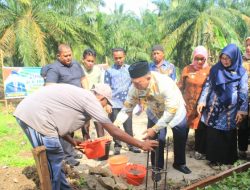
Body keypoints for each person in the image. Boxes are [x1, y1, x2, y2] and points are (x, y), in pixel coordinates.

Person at [14, 83, 158, 190]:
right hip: (34, 116)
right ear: (101, 97)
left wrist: (71, 140)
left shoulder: (83, 96)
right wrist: (140, 144)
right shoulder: (91, 100)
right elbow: (114, 131)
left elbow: (59, 119)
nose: (105, 106)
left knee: (55, 162)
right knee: (52, 161)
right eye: (106, 103)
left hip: (32, 113)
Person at [114, 61, 191, 176]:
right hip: (155, 113)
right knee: (155, 141)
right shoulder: (135, 88)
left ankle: (179, 163)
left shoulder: (164, 84)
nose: (135, 86)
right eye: (133, 82)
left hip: (175, 112)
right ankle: (157, 168)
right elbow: (127, 108)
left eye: (138, 83)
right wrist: (115, 124)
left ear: (148, 78)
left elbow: (170, 111)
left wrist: (154, 128)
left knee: (180, 137)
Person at [197, 44, 248, 166]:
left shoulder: (241, 72)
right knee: (213, 132)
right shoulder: (216, 69)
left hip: (229, 110)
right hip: (214, 107)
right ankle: (213, 159)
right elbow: (208, 86)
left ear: (235, 58)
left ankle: (227, 159)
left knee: (227, 132)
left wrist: (242, 110)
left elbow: (243, 92)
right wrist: (202, 100)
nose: (225, 61)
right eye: (223, 58)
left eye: (228, 58)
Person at [43, 44, 88, 166]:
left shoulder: (76, 64)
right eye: (65, 56)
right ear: (58, 56)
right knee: (64, 130)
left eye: (70, 55)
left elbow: (83, 78)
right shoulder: (55, 69)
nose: (68, 58)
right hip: (63, 106)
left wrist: (86, 92)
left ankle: (71, 152)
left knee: (71, 129)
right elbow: (49, 87)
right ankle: (67, 157)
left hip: (77, 103)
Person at [104, 47, 141, 155]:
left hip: (127, 103)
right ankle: (117, 145)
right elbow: (106, 88)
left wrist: (138, 100)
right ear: (113, 58)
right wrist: (107, 104)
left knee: (128, 125)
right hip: (114, 102)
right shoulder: (109, 71)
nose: (118, 60)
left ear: (124, 57)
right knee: (116, 126)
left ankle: (131, 145)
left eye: (120, 57)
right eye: (116, 58)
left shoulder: (130, 69)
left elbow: (135, 84)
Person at [178, 46, 210, 160]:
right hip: (187, 104)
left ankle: (199, 150)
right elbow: (180, 85)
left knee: (200, 128)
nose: (199, 61)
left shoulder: (209, 70)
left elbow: (210, 88)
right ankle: (181, 147)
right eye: (197, 58)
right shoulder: (187, 69)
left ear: (206, 58)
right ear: (193, 58)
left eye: (202, 59)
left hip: (201, 105)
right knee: (183, 127)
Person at [80, 48, 106, 139]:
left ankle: (103, 146)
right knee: (85, 126)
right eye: (88, 61)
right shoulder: (79, 70)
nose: (90, 63)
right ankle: (87, 146)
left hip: (95, 101)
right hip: (83, 101)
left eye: (92, 61)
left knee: (99, 123)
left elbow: (101, 86)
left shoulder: (98, 70)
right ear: (83, 60)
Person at [238, 37, 250, 159]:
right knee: (243, 125)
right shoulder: (240, 61)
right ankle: (242, 151)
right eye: (247, 45)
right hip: (243, 99)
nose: (248, 48)